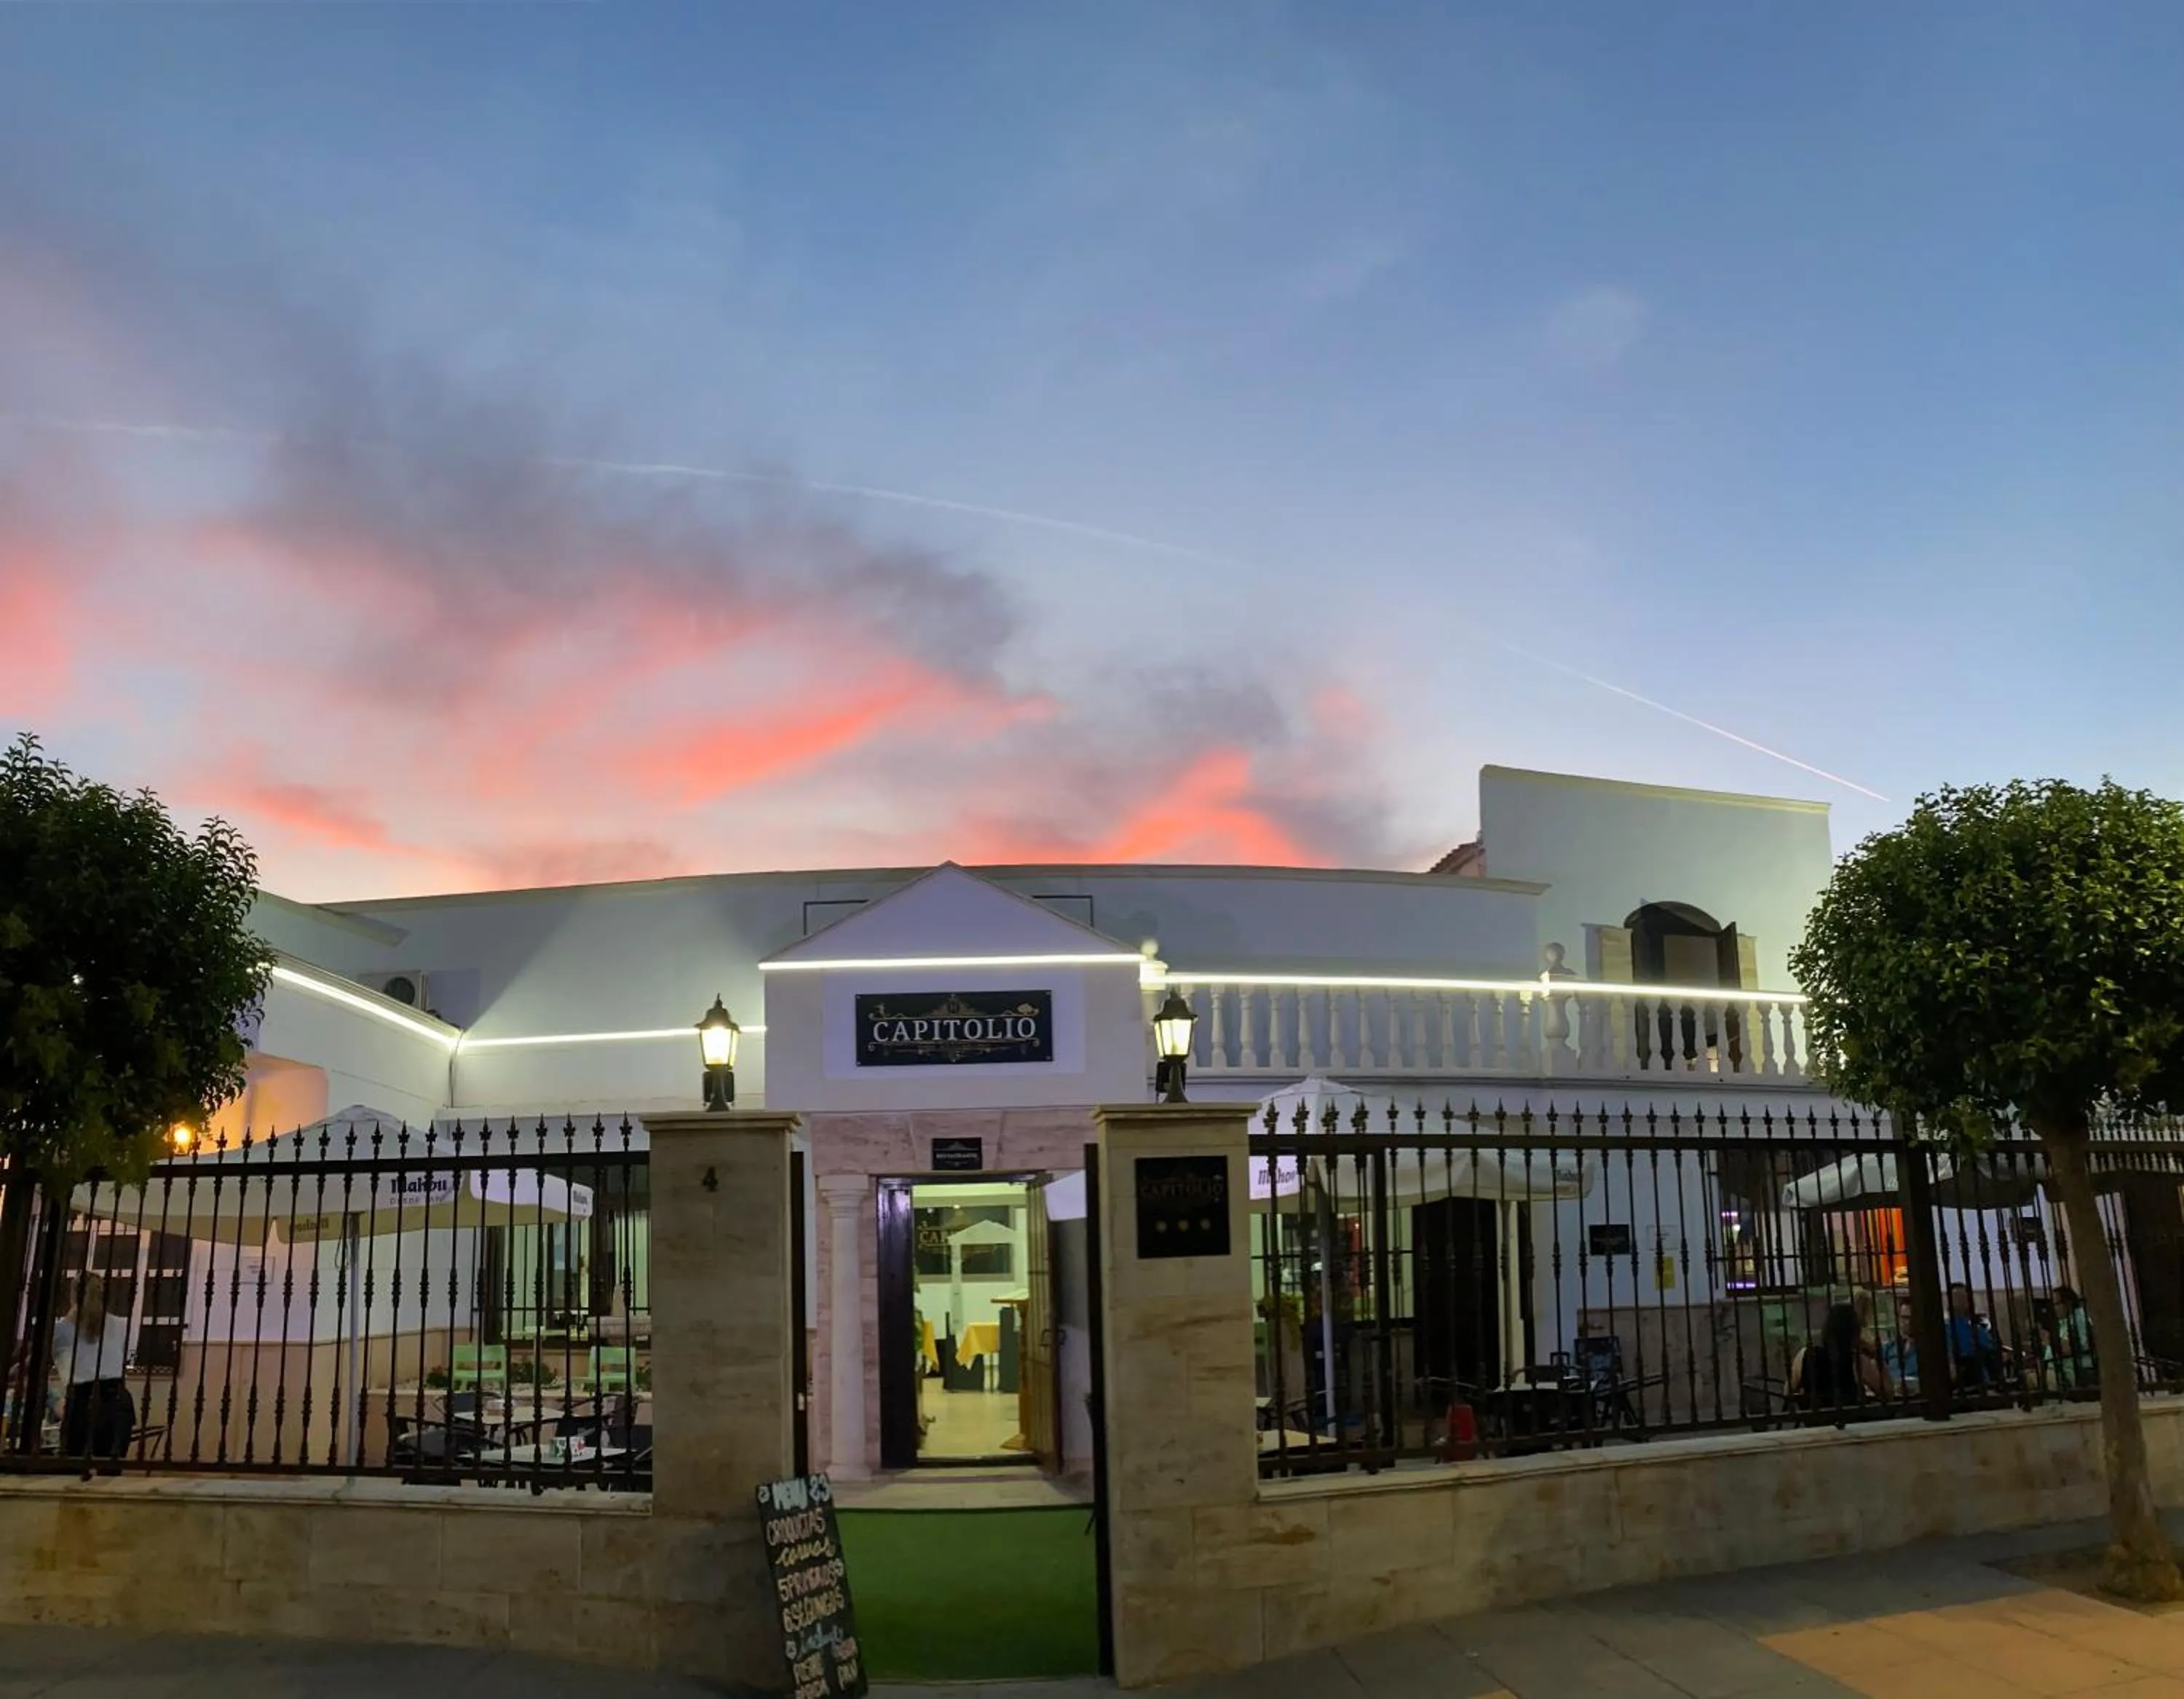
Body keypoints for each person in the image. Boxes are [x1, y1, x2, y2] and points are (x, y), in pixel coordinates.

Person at [50, 1274, 135, 1462]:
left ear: (72, 1295)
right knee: (110, 1471)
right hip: (118, 1401)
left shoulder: (59, 1330)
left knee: (71, 1468)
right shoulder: (121, 1325)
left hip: (82, 1401)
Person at [1791, 1302, 1884, 1414]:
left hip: (1815, 1421)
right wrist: (1875, 1352)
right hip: (1851, 1422)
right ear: (1855, 1332)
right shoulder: (1857, 1361)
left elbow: (1789, 1391)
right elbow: (1887, 1392)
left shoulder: (1804, 1354)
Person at [1947, 1283, 2003, 1390]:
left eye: (1962, 1298)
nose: (1959, 1302)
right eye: (1956, 1298)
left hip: (1976, 1378)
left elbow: (1993, 1348)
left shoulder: (1979, 1326)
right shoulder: (1946, 1328)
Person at [2044, 1285, 2094, 1389]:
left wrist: (2050, 1341)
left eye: (2057, 1304)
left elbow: (2070, 1348)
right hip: (2057, 1369)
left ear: (2067, 1303)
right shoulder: (2064, 1322)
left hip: (2070, 1370)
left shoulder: (2078, 1320)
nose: (2054, 1308)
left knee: (2029, 1381)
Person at [1880, 1296, 1920, 1396]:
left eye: (1912, 1318)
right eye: (1905, 1318)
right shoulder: (1889, 1348)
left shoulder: (1928, 1348)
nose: (1908, 1322)